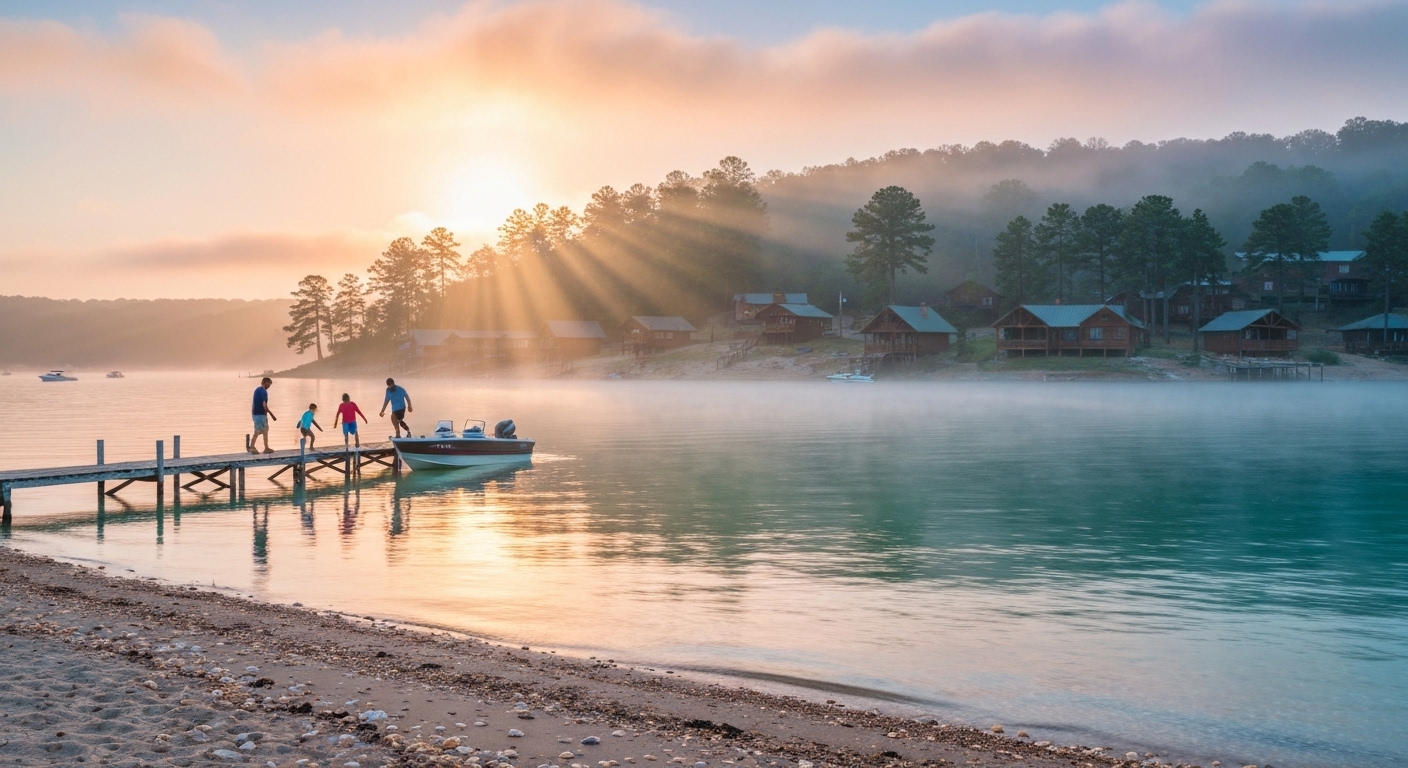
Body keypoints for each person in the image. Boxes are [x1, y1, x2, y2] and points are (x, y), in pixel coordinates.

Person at [250, 377, 277, 453]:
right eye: (268, 384)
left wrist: (253, 414)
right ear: (265, 383)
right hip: (260, 414)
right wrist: (271, 414)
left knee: (263, 430)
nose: (269, 386)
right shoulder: (263, 391)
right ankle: (253, 447)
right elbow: (264, 404)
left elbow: (253, 403)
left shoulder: (257, 390)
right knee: (259, 431)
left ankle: (264, 447)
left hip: (256, 413)